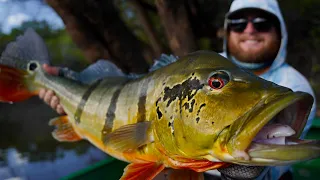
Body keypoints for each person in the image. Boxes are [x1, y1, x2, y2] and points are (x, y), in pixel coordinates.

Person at [39, 0, 316, 179]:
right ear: (227, 31)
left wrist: (245, 169)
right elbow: (128, 84)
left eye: (263, 23)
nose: (250, 30)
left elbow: (274, 164)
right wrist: (64, 79)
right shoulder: (202, 66)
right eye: (238, 23)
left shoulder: (293, 86)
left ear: (280, 33)